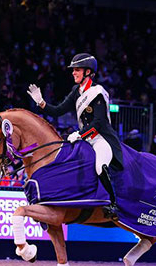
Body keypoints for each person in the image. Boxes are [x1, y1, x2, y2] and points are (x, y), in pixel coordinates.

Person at [27, 53, 123, 219]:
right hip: (85, 138)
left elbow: (99, 122)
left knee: (100, 166)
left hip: (101, 138)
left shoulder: (97, 92)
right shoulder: (76, 92)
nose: (73, 73)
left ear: (87, 72)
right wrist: (41, 102)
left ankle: (113, 204)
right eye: (73, 70)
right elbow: (58, 110)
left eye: (77, 70)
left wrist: (80, 134)